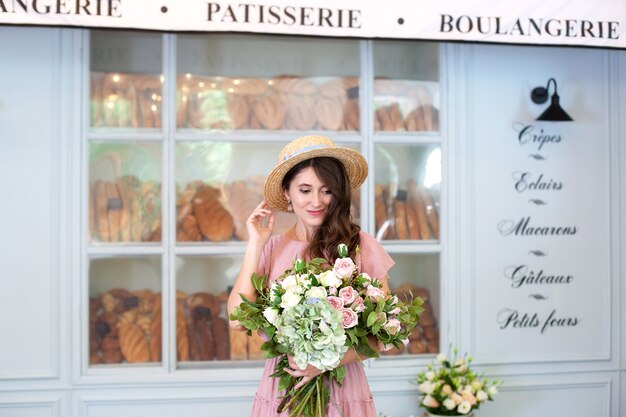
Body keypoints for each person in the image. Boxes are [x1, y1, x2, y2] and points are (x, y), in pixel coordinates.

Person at [227, 135, 395, 417]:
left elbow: (388, 331)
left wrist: (328, 362)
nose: (316, 201)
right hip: (285, 388)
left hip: (343, 389)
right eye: (305, 190)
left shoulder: (359, 246)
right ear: (287, 193)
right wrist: (255, 244)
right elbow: (236, 319)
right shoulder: (271, 247)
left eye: (327, 190)